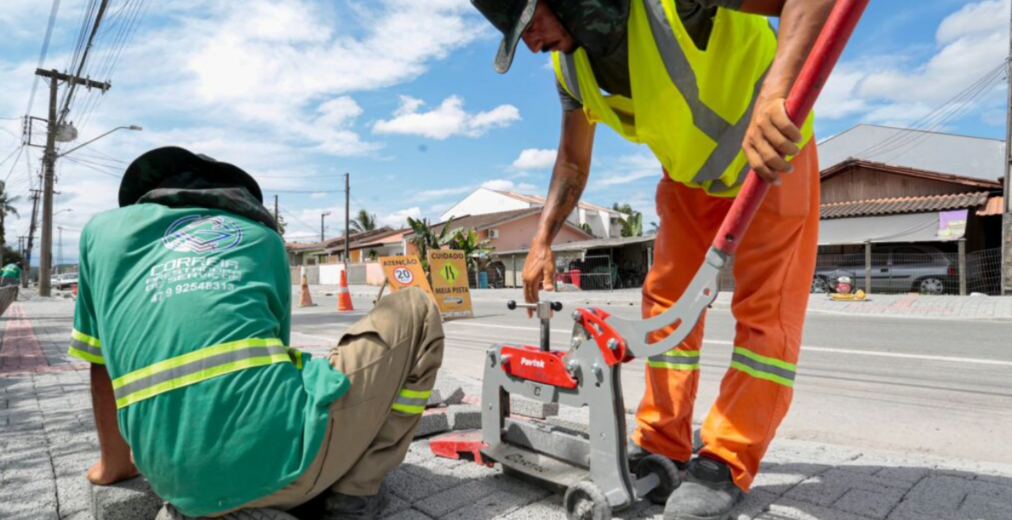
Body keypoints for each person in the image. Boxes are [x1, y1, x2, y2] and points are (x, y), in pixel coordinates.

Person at [470, 0, 831, 518]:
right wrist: (542, 239)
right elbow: (572, 160)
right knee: (665, 312)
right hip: (688, 182)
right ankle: (663, 441)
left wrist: (777, 92)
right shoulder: (568, 66)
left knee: (765, 317)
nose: (529, 43)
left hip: (772, 159)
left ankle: (727, 459)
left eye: (530, 23)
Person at [71, 146, 444, 520]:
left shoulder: (100, 234)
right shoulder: (261, 238)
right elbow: (271, 359)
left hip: (174, 480)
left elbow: (100, 365)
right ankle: (355, 493)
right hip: (278, 467)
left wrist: (113, 468)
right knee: (416, 307)